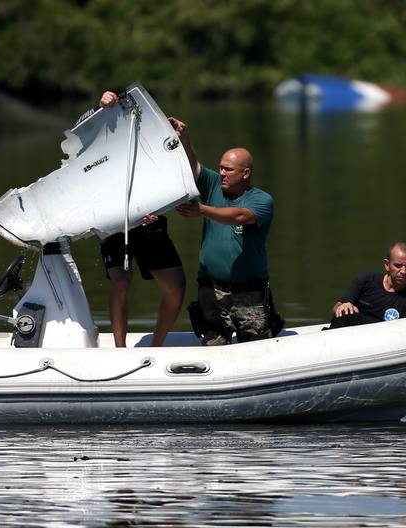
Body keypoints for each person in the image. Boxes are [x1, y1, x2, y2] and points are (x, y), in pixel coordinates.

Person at [169, 116, 283, 346]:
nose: (222, 173)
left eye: (228, 170)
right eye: (221, 167)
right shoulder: (213, 186)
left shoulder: (261, 200)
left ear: (246, 173)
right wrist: (184, 138)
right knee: (213, 342)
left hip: (248, 288)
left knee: (254, 345)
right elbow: (193, 166)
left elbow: (240, 216)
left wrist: (202, 210)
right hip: (211, 286)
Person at [90, 91, 186, 347]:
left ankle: (157, 345)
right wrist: (99, 106)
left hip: (147, 218)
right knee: (121, 282)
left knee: (176, 287)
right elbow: (79, 132)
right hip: (113, 219)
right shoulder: (103, 129)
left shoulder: (152, 132)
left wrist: (179, 140)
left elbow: (173, 175)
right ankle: (120, 349)